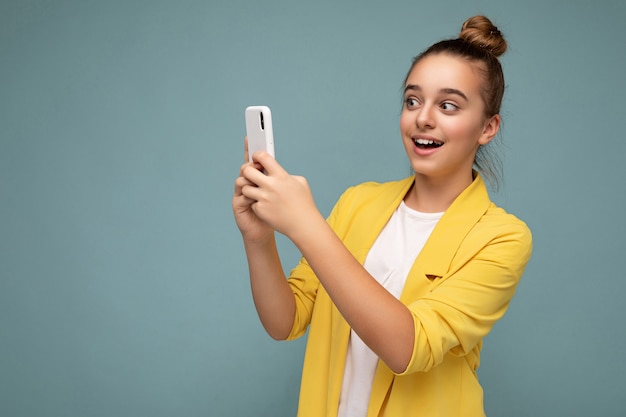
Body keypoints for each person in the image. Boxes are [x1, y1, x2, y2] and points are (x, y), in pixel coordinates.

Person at [232, 15, 532, 417]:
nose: (423, 118)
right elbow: (285, 321)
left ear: (488, 127)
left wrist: (306, 226)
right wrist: (259, 239)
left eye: (448, 105)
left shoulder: (502, 238)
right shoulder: (359, 203)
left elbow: (407, 348)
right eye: (412, 100)